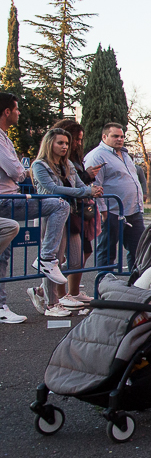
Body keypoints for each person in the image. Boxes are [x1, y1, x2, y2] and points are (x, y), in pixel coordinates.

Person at [0, 93, 69, 324]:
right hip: (5, 200)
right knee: (59, 204)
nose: (19, 112)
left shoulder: (5, 138)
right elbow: (17, 171)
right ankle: (46, 259)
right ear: (7, 111)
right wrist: (21, 170)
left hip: (9, 199)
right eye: (17, 109)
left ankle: (1, 305)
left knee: (4, 254)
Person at [29, 128, 103, 317]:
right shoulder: (39, 165)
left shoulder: (68, 164)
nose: (64, 147)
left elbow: (79, 184)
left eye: (66, 143)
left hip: (72, 214)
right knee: (53, 259)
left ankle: (45, 292)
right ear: (49, 144)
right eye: (60, 143)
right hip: (51, 214)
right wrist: (87, 192)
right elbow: (53, 189)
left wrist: (92, 189)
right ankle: (51, 303)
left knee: (76, 259)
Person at [51, 119, 102, 305]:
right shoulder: (50, 162)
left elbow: (78, 184)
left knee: (82, 252)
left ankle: (69, 292)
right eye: (75, 140)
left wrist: (89, 186)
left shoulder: (73, 160)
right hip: (64, 210)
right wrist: (87, 182)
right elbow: (62, 186)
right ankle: (56, 293)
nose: (77, 144)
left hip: (79, 209)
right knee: (61, 255)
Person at [85, 122, 145, 271]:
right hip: (111, 211)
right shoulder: (97, 156)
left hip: (133, 211)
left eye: (122, 136)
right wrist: (103, 211)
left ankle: (136, 283)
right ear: (104, 136)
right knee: (107, 250)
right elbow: (94, 186)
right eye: (115, 136)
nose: (119, 139)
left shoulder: (125, 154)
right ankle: (104, 286)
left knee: (139, 250)